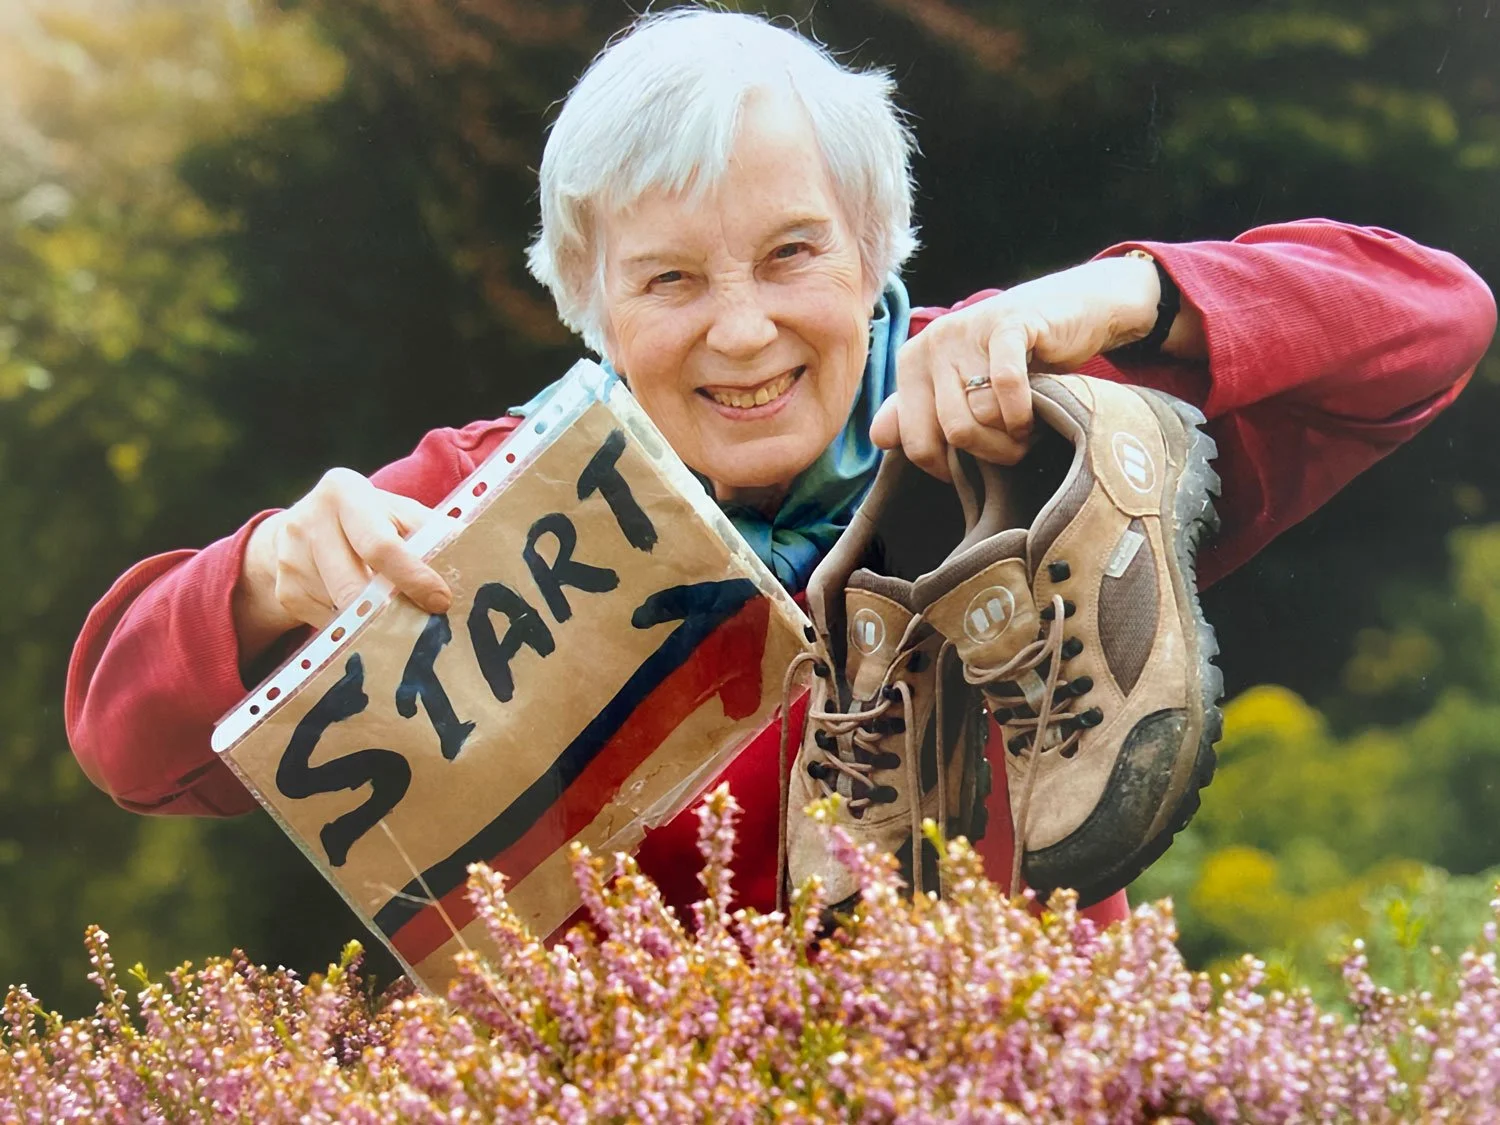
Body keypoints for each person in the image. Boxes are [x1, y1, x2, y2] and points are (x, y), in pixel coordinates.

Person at [65, 9, 1495, 933]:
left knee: (1089, 455)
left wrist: (1114, 306)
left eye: (793, 255)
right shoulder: (489, 491)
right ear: (592, 308)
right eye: (670, 278)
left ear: (874, 251)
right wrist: (260, 577)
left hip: (1010, 1069)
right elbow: (128, 743)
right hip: (620, 1087)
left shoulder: (1022, 411)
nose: (740, 329)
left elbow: (1431, 323)